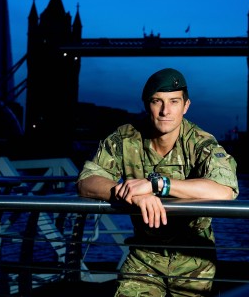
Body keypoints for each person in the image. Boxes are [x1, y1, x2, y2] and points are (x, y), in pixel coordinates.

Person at [77, 67, 239, 297]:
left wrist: (157, 184)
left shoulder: (201, 143)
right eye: (157, 101)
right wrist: (130, 192)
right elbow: (86, 181)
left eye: (174, 101)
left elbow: (225, 191)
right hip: (144, 257)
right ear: (147, 105)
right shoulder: (126, 138)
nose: (165, 111)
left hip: (194, 261)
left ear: (186, 106)